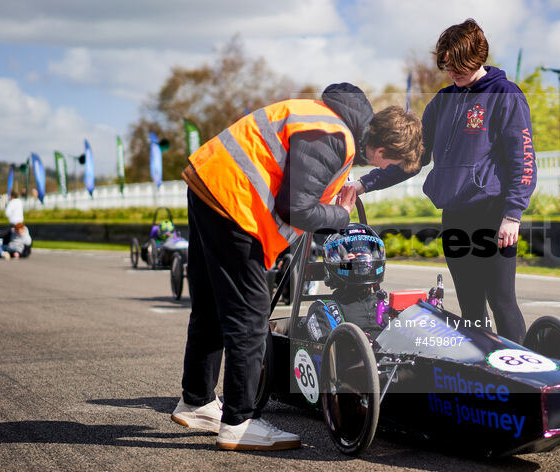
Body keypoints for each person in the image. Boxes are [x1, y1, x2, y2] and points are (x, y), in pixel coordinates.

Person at [171, 83, 421, 451]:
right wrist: (340, 214)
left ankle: (197, 401)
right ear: (381, 150)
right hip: (235, 202)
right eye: (389, 164)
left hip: (211, 180)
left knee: (210, 306)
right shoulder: (333, 136)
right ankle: (239, 422)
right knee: (250, 315)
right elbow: (297, 210)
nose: (383, 169)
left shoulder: (332, 117)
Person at [349, 19, 536, 344]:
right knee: (471, 308)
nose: (451, 74)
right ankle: (485, 382)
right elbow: (413, 158)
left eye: (456, 67)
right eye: (447, 67)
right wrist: (366, 183)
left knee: (502, 302)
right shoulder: (442, 101)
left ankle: (522, 386)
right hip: (455, 217)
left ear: (476, 57)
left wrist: (513, 215)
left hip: (494, 217)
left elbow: (524, 161)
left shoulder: (505, 95)